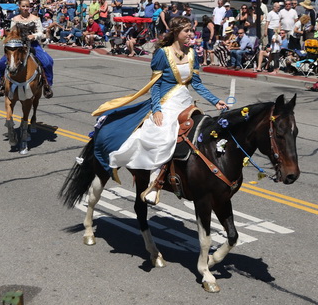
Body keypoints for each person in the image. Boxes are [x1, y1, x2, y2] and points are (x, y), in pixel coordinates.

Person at [95, 17, 228, 205]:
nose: (190, 34)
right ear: (176, 32)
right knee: (163, 133)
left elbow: (196, 84)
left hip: (185, 102)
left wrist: (215, 101)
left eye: (191, 30)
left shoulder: (192, 53)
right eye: (186, 31)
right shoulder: (162, 54)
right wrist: (157, 109)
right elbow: (155, 85)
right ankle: (154, 182)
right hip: (167, 102)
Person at [0, 0, 54, 98]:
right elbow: (12, 33)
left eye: (27, 6)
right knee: (1, 62)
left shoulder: (35, 18)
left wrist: (34, 36)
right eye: (23, 6)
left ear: (30, 7)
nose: (25, 8)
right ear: (19, 7)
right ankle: (2, 83)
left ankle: (47, 85)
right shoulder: (15, 19)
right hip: (18, 45)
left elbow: (41, 33)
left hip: (33, 44)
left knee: (48, 61)